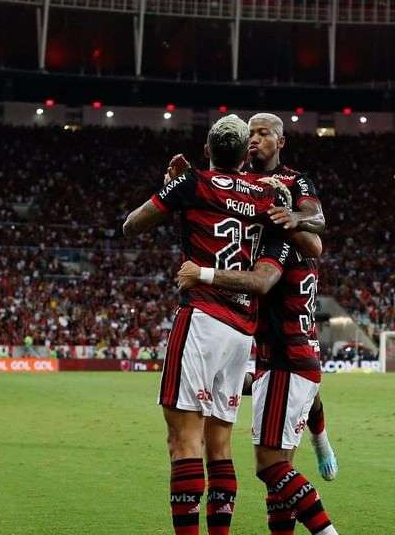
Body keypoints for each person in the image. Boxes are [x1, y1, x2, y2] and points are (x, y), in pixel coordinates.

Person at [123, 115, 312, 535]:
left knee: (184, 442)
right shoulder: (267, 194)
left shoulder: (194, 183)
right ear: (245, 152)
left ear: (207, 151)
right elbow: (310, 240)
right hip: (242, 330)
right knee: (220, 446)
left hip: (203, 318)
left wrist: (174, 187)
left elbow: (133, 224)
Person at [177, 230, 338, 535]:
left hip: (283, 362)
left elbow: (259, 282)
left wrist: (203, 274)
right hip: (297, 363)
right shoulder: (305, 250)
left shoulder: (278, 247)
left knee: (269, 465)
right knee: (280, 478)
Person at [244, 112, 337, 481]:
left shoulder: (295, 181)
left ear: (280, 141)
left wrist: (293, 218)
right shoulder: (237, 178)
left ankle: (318, 440)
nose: (254, 139)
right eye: (250, 133)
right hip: (251, 279)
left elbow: (318, 221)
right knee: (296, 376)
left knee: (298, 371)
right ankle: (318, 437)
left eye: (263, 133)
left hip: (284, 279)